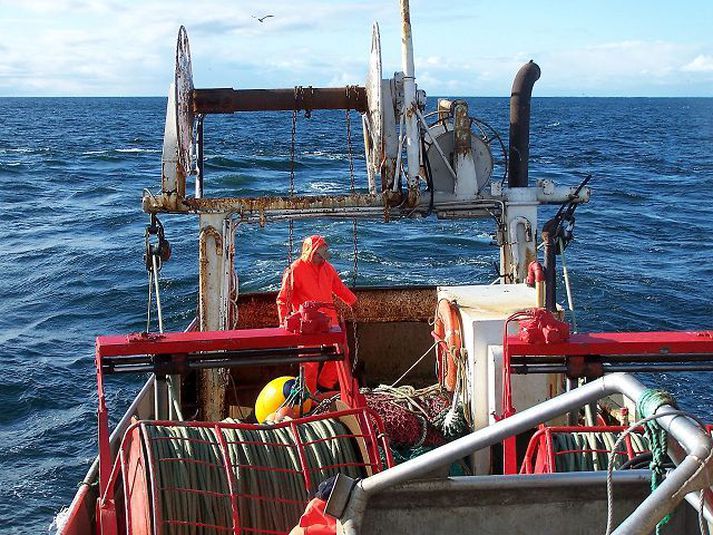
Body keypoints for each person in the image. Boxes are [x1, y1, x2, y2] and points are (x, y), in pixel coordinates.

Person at [276, 235, 357, 392]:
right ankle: (309, 396)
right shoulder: (295, 269)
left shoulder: (328, 268)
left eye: (323, 254)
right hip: (307, 323)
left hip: (329, 321)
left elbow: (339, 288)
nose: (321, 258)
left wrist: (353, 302)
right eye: (317, 254)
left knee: (341, 351)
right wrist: (284, 322)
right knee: (308, 361)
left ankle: (324, 386)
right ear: (308, 252)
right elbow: (283, 299)